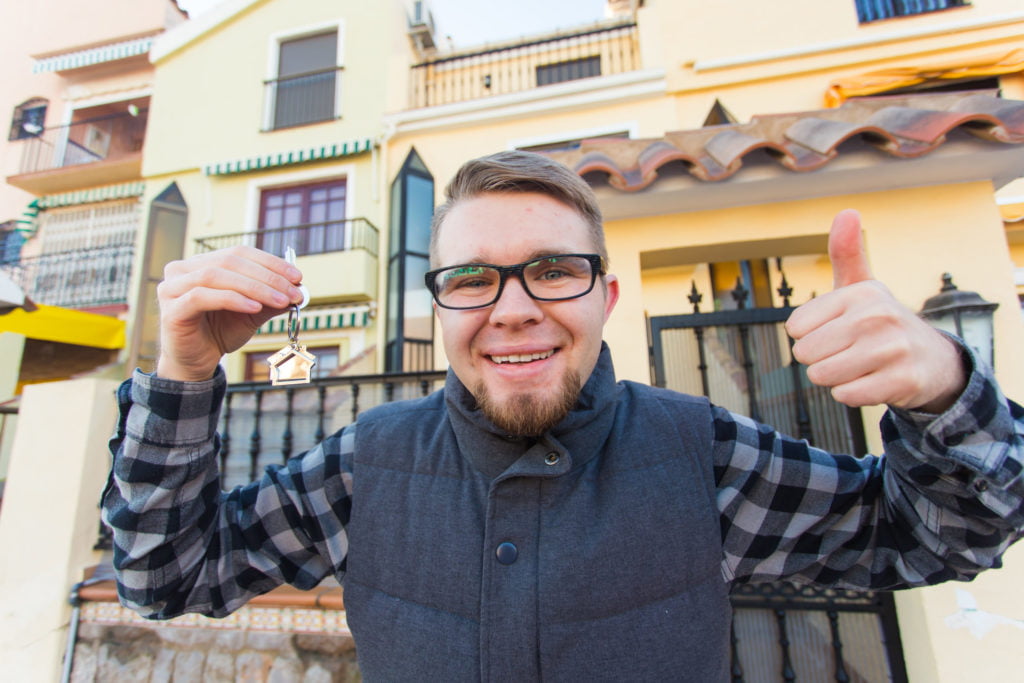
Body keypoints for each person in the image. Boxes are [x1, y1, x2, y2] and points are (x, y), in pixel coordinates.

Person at [102, 151, 1024, 681]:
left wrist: (946, 387)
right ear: (440, 307)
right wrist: (182, 373)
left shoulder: (700, 454)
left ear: (606, 295)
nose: (512, 309)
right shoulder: (366, 463)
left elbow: (940, 535)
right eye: (471, 279)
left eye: (553, 269)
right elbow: (164, 577)